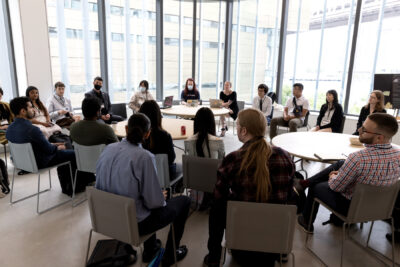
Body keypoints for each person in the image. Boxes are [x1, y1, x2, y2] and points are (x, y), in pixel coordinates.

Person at [95, 113, 190, 267]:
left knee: (141, 200)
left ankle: (151, 248)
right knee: (183, 201)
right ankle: (171, 254)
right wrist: (161, 196)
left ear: (126, 129)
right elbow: (155, 203)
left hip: (105, 218)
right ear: (148, 133)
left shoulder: (107, 149)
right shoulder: (144, 157)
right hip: (133, 224)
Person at [204, 108, 295, 267]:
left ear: (244, 131)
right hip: (274, 245)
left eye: (237, 125)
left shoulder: (233, 159)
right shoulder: (284, 156)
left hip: (241, 245)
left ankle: (214, 257)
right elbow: (289, 194)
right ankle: (283, 253)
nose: (237, 127)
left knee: (216, 207)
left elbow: (218, 197)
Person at [295, 113, 400, 234]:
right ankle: (305, 183)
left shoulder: (358, 158)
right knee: (341, 163)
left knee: (317, 186)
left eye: (364, 129)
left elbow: (335, 187)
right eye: (361, 126)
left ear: (379, 138)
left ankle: (306, 221)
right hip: (381, 207)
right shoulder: (398, 154)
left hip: (352, 208)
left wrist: (333, 176)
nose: (359, 130)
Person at [6, 97, 87, 196]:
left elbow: (33, 145)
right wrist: (58, 147)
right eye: (31, 107)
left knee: (63, 150)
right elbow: (49, 150)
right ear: (23, 111)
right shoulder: (32, 129)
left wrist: (52, 145)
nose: (34, 110)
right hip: (40, 162)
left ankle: (70, 185)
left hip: (23, 163)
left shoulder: (9, 129)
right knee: (73, 153)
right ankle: (74, 187)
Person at [139, 100, 177, 179]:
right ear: (158, 115)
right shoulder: (165, 135)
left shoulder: (137, 136)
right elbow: (171, 158)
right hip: (162, 176)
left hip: (143, 176)